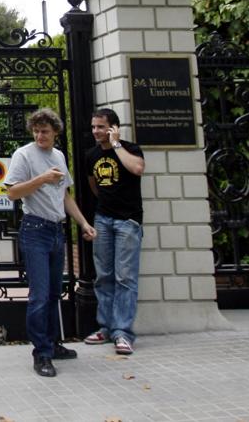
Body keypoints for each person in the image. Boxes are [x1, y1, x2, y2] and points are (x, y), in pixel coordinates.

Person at [4, 108, 96, 378]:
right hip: (34, 229)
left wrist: (83, 223)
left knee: (55, 293)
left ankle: (53, 343)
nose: (39, 135)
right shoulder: (23, 155)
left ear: (56, 131)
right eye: (36, 130)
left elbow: (65, 195)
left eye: (45, 131)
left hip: (56, 230)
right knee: (40, 295)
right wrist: (41, 179)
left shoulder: (58, 156)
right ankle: (41, 352)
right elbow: (11, 192)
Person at [84, 108, 145, 356]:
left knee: (125, 278)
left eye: (101, 127)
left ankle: (123, 332)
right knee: (104, 275)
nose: (96, 131)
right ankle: (106, 328)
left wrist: (117, 144)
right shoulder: (91, 155)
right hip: (103, 220)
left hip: (128, 221)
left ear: (113, 127)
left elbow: (137, 169)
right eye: (94, 127)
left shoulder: (131, 149)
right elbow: (94, 185)